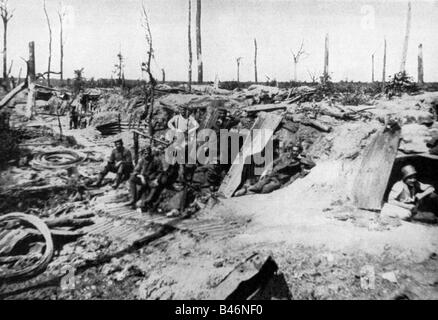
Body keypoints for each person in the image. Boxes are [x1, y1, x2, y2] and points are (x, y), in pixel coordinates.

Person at [246, 143, 315, 194]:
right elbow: (273, 163)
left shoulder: (299, 162)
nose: (295, 152)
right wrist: (266, 172)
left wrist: (302, 157)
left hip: (279, 180)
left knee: (265, 190)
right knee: (256, 187)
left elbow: (312, 164)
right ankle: (246, 192)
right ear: (291, 150)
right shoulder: (285, 155)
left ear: (299, 152)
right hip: (271, 175)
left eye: (297, 151)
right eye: (293, 150)